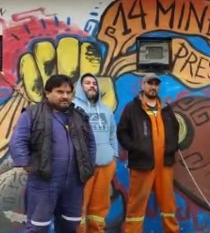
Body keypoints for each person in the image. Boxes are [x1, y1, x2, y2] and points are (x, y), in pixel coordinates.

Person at [9, 75, 96, 232]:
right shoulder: (32, 114)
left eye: (69, 92)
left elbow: (90, 143)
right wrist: (27, 165)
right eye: (60, 91)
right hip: (44, 181)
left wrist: (88, 166)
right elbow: (18, 141)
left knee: (70, 225)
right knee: (38, 227)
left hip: (74, 183)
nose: (65, 96)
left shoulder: (79, 116)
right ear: (47, 93)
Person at [117, 74, 180, 233]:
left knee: (168, 205)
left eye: (156, 84)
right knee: (136, 204)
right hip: (141, 164)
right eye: (150, 83)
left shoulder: (165, 108)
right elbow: (122, 132)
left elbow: (175, 128)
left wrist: (172, 147)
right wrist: (134, 148)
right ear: (143, 85)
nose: (153, 87)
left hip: (164, 164)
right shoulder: (132, 108)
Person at [73, 73, 118, 233]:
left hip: (106, 165)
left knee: (99, 210)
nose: (92, 86)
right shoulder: (72, 108)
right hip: (82, 168)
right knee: (78, 208)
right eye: (87, 83)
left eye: (94, 83)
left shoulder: (106, 110)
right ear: (80, 87)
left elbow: (113, 133)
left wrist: (114, 157)